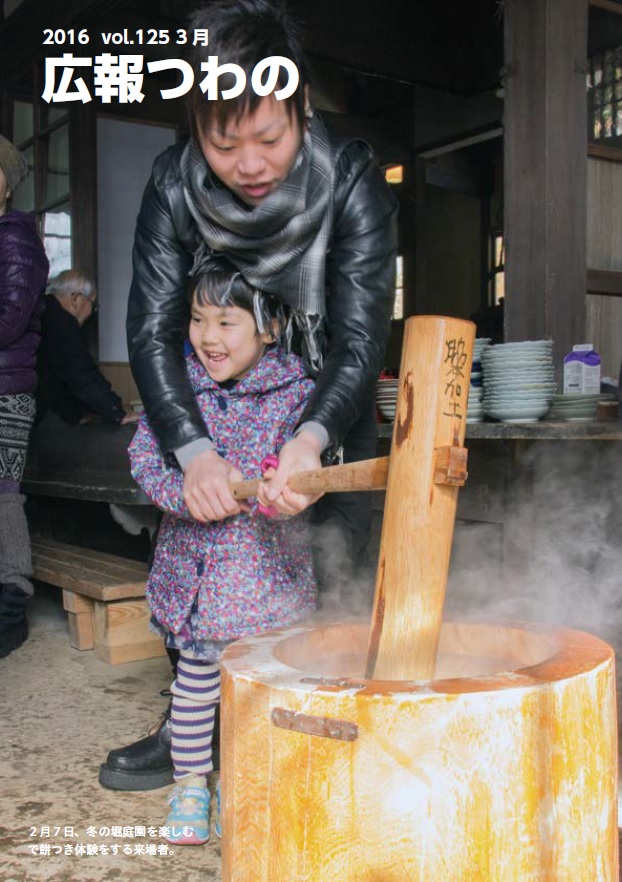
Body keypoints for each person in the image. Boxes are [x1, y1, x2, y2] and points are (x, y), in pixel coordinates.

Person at [100, 0, 397, 790]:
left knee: (329, 589)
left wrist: (309, 440)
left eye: (269, 136)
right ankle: (195, 724)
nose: (250, 163)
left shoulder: (354, 183)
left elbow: (362, 338)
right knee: (199, 562)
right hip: (216, 412)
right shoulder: (173, 186)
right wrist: (191, 450)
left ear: (301, 108)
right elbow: (154, 329)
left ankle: (316, 741)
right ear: (196, 127)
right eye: (223, 142)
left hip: (323, 416)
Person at [128, 260, 316, 843]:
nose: (208, 336)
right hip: (197, 574)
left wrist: (286, 494)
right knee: (195, 682)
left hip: (266, 576)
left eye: (227, 322)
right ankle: (191, 786)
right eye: (197, 318)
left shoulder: (299, 393)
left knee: (266, 687)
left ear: (270, 326)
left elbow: (311, 476)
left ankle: (255, 783)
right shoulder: (175, 386)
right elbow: (143, 460)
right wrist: (185, 493)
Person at [0, 134, 49, 658]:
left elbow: (10, 318)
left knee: (3, 499)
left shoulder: (16, 239)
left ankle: (10, 611)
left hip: (6, 389)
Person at [36, 269, 139, 427]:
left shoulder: (46, 311)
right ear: (76, 299)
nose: (91, 313)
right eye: (93, 305)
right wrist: (117, 412)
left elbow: (56, 381)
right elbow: (82, 374)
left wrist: (76, 415)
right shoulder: (61, 322)